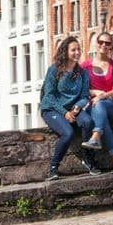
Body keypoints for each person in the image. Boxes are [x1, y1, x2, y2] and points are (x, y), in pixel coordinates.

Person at [40, 36, 97, 180]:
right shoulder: (54, 70)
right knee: (68, 133)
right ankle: (53, 168)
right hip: (52, 109)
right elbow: (49, 96)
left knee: (88, 122)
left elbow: (84, 96)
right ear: (65, 51)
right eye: (73, 50)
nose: (77, 52)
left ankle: (88, 159)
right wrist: (64, 112)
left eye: (78, 49)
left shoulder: (82, 73)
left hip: (73, 109)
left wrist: (77, 108)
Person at [80, 32, 113, 173]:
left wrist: (103, 96)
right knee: (101, 117)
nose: (104, 45)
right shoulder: (86, 66)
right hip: (94, 106)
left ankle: (96, 136)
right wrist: (94, 93)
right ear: (97, 43)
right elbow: (82, 89)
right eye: (101, 42)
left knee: (100, 106)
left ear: (111, 46)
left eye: (107, 43)